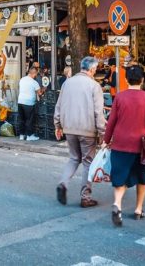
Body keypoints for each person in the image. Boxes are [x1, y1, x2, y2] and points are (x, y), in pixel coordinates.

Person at [103, 64, 145, 227]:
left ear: (126, 80)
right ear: (142, 80)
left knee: (119, 177)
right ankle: (138, 209)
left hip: (120, 143)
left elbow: (111, 122)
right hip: (142, 145)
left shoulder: (120, 97)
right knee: (142, 176)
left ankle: (117, 204)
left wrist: (106, 140)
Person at [54, 56, 106, 208]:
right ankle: (85, 197)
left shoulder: (67, 83)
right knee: (88, 162)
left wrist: (57, 125)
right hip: (87, 129)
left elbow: (59, 105)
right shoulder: (94, 85)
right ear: (92, 69)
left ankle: (63, 183)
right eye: (95, 69)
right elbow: (98, 112)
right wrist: (103, 132)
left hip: (69, 128)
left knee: (73, 158)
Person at [17, 66, 43, 141]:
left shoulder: (22, 79)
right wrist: (44, 89)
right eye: (36, 74)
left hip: (20, 101)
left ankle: (21, 135)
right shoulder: (34, 82)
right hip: (29, 103)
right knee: (29, 120)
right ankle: (29, 136)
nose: (36, 76)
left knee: (21, 119)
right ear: (34, 73)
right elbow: (40, 93)